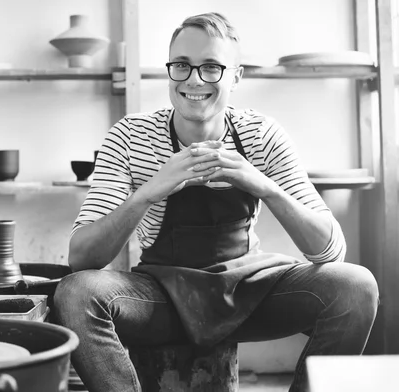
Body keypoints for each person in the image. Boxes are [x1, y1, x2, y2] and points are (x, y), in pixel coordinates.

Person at [53, 12, 379, 392]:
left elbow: (330, 251)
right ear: (169, 70)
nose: (194, 79)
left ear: (236, 77)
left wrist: (263, 186)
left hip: (251, 293)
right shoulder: (129, 136)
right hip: (162, 300)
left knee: (356, 287)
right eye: (182, 66)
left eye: (211, 67)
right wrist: (150, 191)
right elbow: (82, 259)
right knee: (76, 294)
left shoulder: (262, 134)